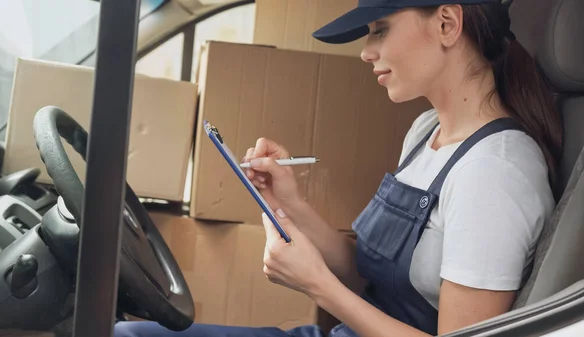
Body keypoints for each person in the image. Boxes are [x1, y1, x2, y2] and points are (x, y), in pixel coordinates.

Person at [114, 0, 562, 336]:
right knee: (129, 333)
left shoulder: (495, 175)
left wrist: (318, 287)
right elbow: (375, 276)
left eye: (380, 31)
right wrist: (291, 205)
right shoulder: (427, 130)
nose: (367, 52)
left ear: (447, 24)